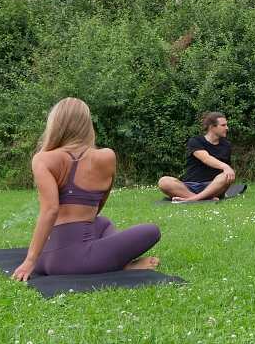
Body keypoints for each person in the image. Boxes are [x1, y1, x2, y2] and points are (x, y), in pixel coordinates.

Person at [12, 98, 161, 281]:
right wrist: (29, 261)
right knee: (152, 230)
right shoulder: (106, 157)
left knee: (103, 222)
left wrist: (32, 259)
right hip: (75, 262)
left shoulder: (42, 159)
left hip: (44, 259)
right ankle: (123, 265)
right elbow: (96, 203)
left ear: (55, 125)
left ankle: (116, 263)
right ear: (87, 125)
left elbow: (50, 210)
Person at [158, 112, 235, 202]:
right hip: (189, 186)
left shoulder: (226, 145)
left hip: (212, 187)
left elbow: (225, 172)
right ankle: (201, 198)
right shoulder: (196, 140)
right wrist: (225, 167)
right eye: (223, 125)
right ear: (212, 127)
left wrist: (226, 174)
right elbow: (206, 159)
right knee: (164, 181)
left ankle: (192, 199)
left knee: (226, 175)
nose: (227, 128)